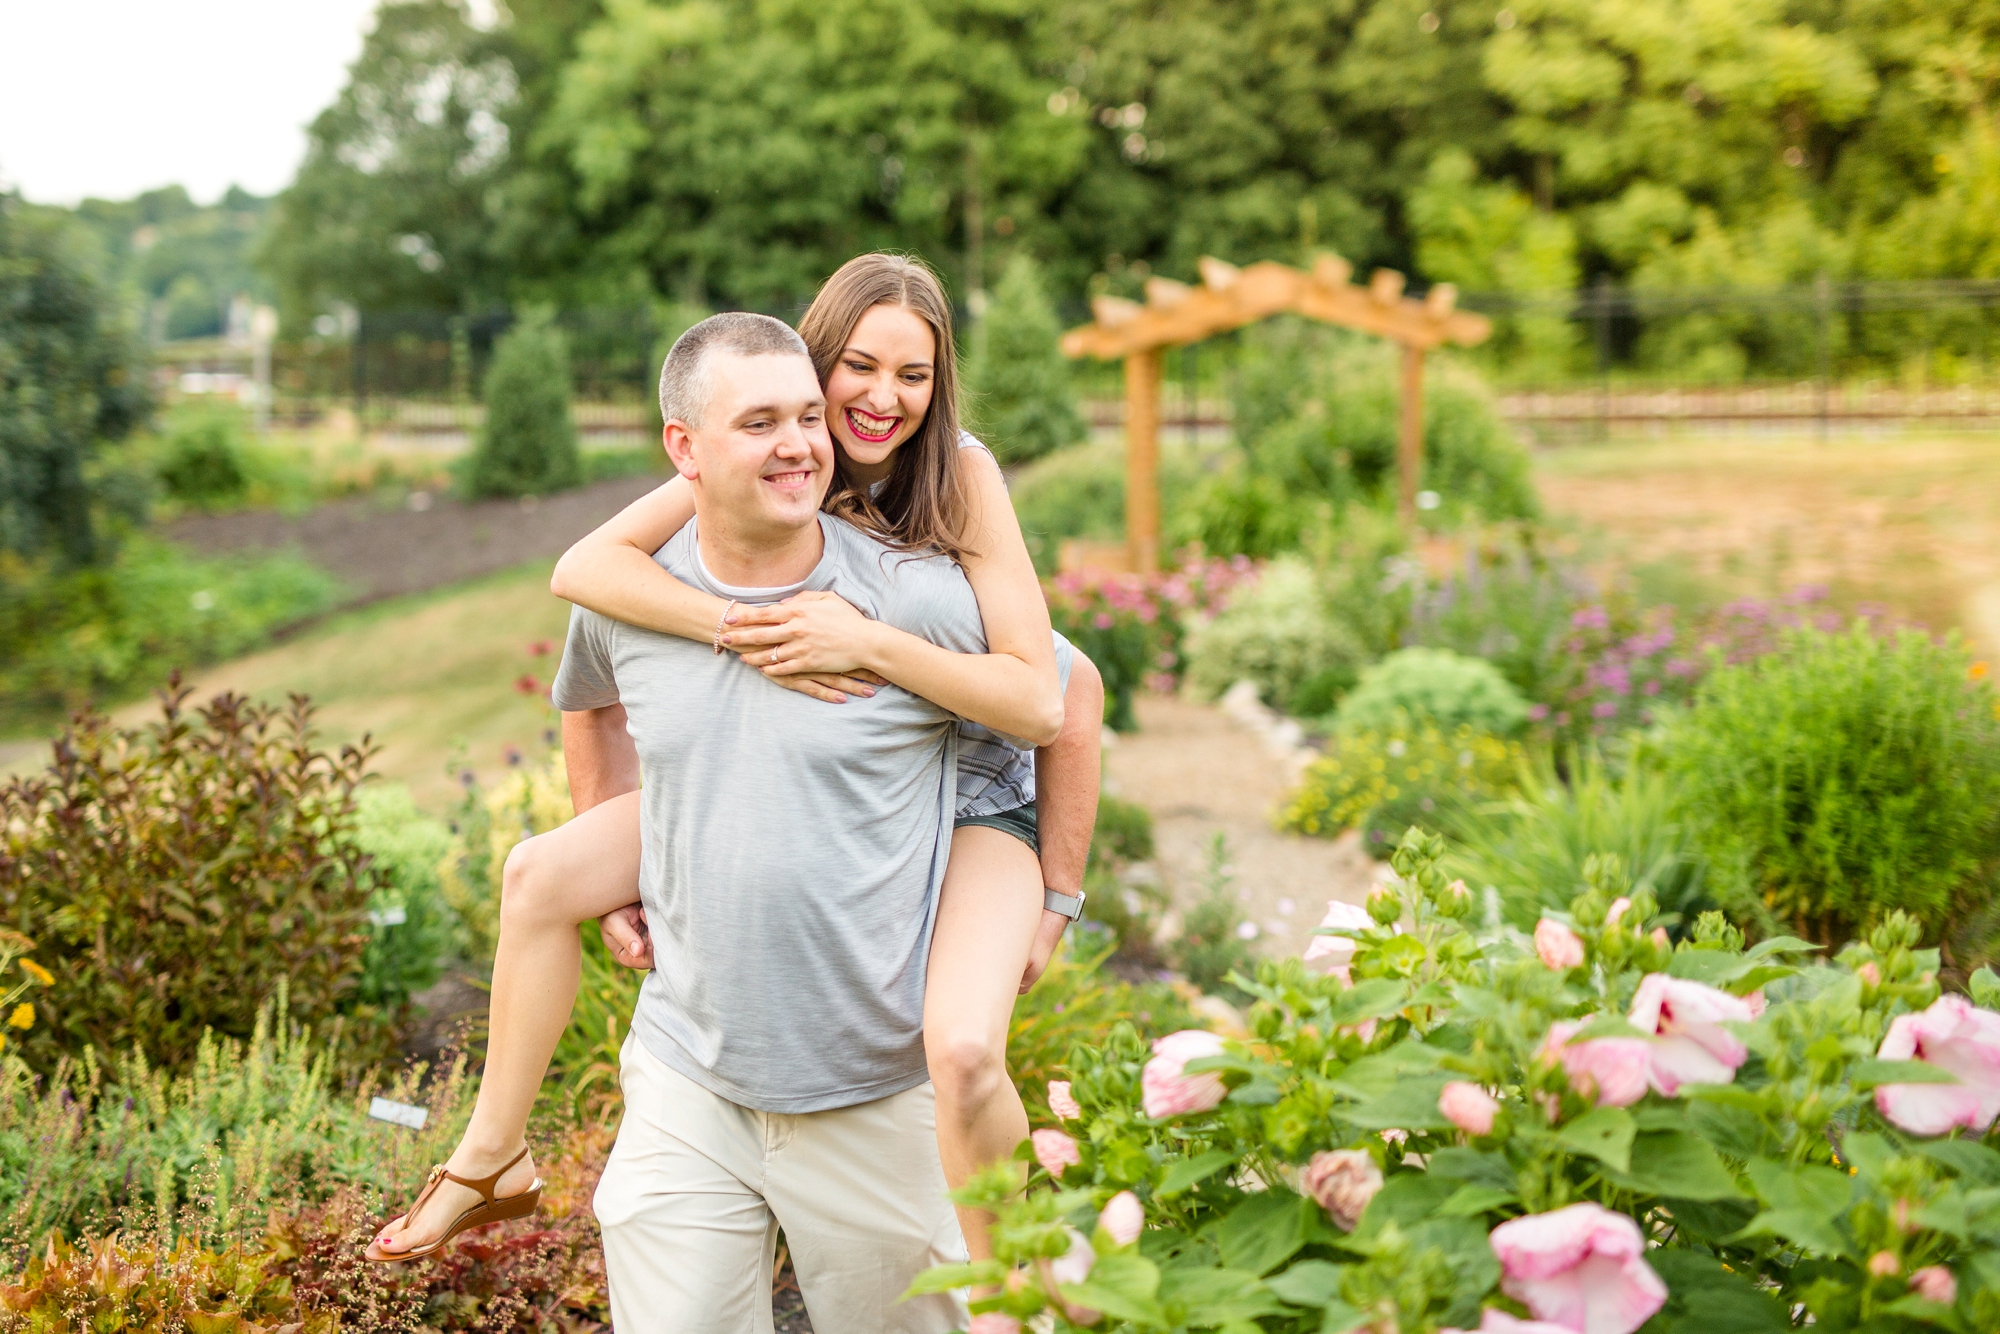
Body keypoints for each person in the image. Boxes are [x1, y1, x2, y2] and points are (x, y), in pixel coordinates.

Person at [366, 258, 1102, 1306]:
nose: (875, 400)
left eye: (913, 374)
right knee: (536, 877)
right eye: (853, 368)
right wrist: (726, 628)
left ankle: (1019, 1279)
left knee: (965, 1047)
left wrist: (871, 643)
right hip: (697, 1046)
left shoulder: (953, 492)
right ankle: (489, 1156)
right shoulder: (750, 455)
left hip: (976, 778)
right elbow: (583, 582)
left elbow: (1057, 701)